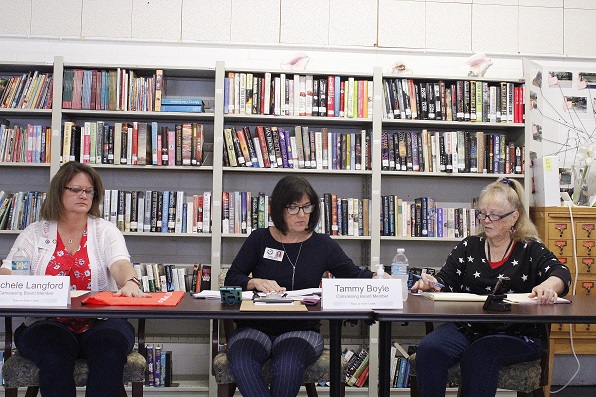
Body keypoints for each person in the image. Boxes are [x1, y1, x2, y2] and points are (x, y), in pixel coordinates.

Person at [411, 177, 571, 397]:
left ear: (514, 217)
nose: (486, 220)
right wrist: (431, 284)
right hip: (468, 328)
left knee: (481, 354)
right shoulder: (469, 246)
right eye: (483, 213)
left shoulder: (529, 249)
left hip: (517, 334)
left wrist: (548, 286)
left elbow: (561, 273)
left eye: (495, 215)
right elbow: (445, 281)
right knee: (430, 349)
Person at [0, 161, 148, 397]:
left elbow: (120, 263)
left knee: (109, 351)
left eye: (89, 191)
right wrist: (6, 280)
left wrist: (130, 281)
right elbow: (10, 271)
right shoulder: (35, 232)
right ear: (59, 191)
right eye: (76, 189)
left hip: (101, 321)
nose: (84, 195)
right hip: (46, 323)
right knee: (54, 354)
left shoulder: (105, 231)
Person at [224, 175, 375, 397]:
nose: (302, 214)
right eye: (293, 208)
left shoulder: (322, 245)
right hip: (255, 327)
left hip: (301, 330)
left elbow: (354, 275)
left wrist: (382, 279)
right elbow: (232, 278)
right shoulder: (259, 239)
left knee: (287, 364)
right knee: (242, 360)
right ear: (278, 209)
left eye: (306, 207)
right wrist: (252, 282)